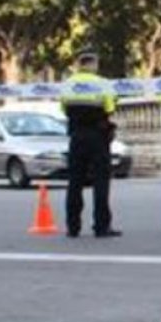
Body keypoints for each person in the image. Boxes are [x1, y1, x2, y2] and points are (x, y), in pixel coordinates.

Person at [59, 49, 120, 238]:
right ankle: (101, 226)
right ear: (93, 64)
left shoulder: (68, 85)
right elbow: (110, 108)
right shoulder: (102, 84)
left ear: (79, 63)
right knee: (101, 182)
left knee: (75, 182)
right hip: (98, 137)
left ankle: (73, 226)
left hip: (76, 137)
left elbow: (63, 109)